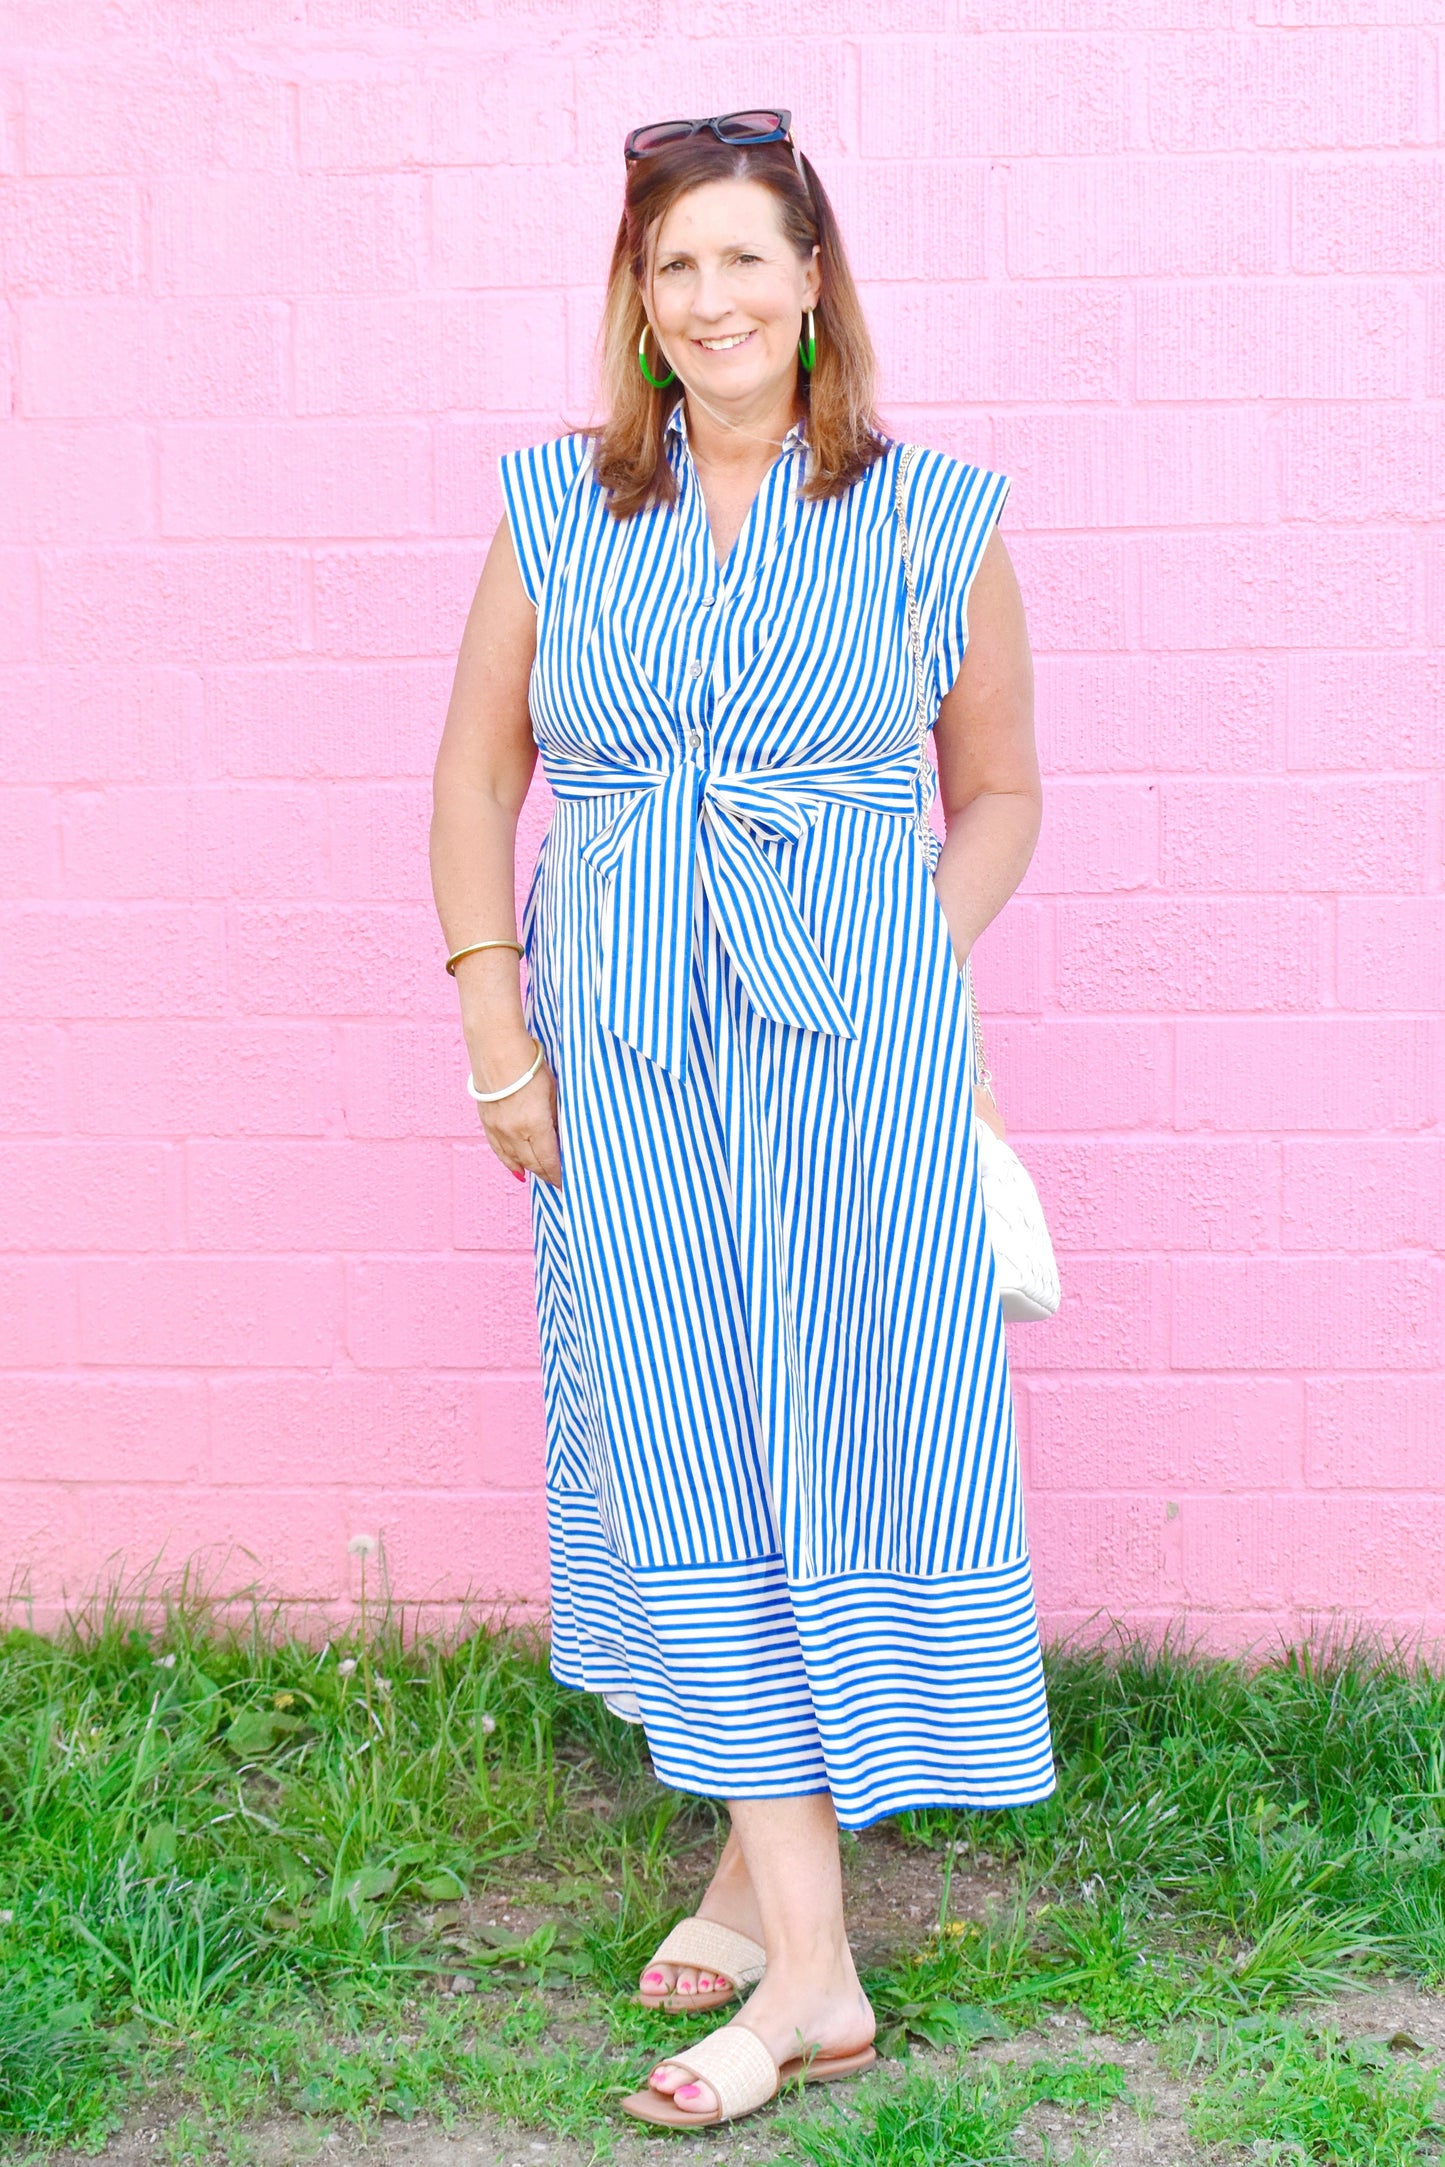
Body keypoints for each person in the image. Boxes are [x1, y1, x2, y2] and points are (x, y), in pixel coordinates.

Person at [429, 108, 1056, 2132]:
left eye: (741, 260)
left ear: (811, 283)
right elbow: (475, 778)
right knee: (686, 1438)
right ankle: (799, 1937)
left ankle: (798, 1961)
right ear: (639, 297)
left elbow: (999, 792)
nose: (707, 299)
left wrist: (902, 957)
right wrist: (497, 1028)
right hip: (617, 1055)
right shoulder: (555, 505)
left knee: (828, 1437)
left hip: (844, 1053)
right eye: (671, 264)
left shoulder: (934, 513)